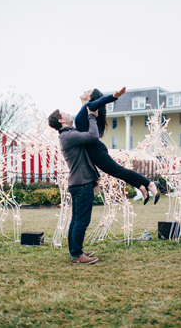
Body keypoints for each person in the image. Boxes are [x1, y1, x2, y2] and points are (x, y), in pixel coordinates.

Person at [73, 87, 161, 205]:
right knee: (117, 172)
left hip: (95, 150)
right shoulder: (86, 110)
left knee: (118, 171)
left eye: (88, 91)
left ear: (90, 97)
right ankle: (141, 186)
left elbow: (99, 102)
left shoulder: (89, 107)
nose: (84, 91)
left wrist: (114, 96)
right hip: (93, 150)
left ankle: (150, 184)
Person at [49, 106, 101, 264]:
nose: (67, 113)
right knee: (81, 221)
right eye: (64, 113)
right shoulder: (69, 135)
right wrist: (92, 117)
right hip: (82, 183)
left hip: (78, 183)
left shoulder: (67, 135)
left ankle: (75, 251)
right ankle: (77, 255)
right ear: (61, 120)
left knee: (76, 219)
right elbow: (93, 136)